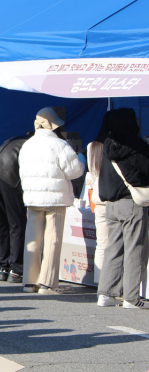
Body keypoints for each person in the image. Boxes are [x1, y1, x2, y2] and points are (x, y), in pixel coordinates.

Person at [19, 108, 84, 295]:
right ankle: (48, 284)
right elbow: (74, 171)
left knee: (32, 239)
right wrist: (80, 158)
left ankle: (29, 282)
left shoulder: (27, 145)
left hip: (32, 197)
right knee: (52, 239)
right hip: (55, 198)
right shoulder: (60, 145)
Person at [97, 108, 149, 309]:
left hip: (110, 204)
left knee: (114, 248)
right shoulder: (134, 145)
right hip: (131, 203)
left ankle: (106, 293)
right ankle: (131, 297)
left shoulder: (108, 145)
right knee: (135, 249)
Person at [0, 133, 31, 283]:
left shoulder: (13, 139)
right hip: (9, 176)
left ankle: (4, 267)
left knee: (1, 222)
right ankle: (17, 268)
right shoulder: (31, 143)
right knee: (16, 223)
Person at [86, 113, 110, 288]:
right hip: (112, 195)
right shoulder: (114, 146)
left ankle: (100, 281)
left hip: (97, 195)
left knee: (102, 243)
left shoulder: (91, 146)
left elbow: (91, 172)